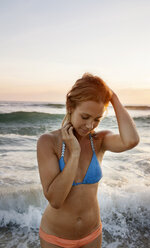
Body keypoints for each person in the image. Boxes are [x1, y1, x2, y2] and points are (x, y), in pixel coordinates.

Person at [37, 73, 140, 248]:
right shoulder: (48, 142)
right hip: (56, 238)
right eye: (85, 117)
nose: (90, 125)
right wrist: (75, 153)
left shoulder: (99, 141)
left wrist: (113, 98)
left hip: (92, 235)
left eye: (97, 119)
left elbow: (131, 140)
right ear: (70, 106)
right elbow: (55, 200)